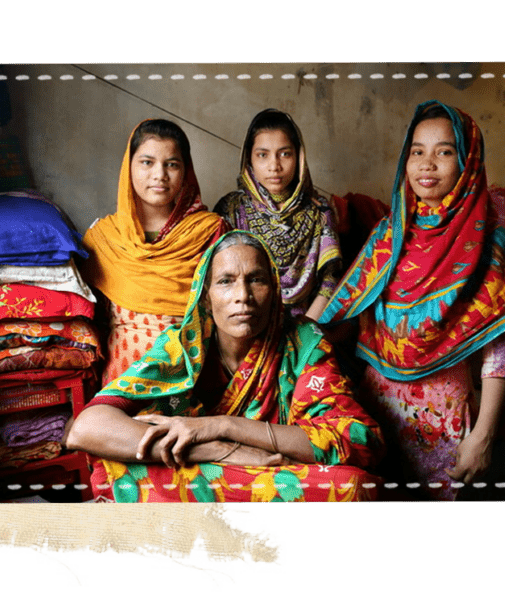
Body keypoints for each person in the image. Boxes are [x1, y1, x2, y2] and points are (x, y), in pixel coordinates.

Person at [319, 100, 505, 501]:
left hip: (442, 420)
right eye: (417, 151)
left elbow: (499, 349)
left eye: (444, 151)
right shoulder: (389, 233)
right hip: (374, 411)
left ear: (467, 162)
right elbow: (348, 313)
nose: (426, 164)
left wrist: (482, 435)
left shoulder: (488, 240)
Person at [66, 231, 383, 502]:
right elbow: (85, 429)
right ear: (205, 297)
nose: (242, 296)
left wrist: (221, 426)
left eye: (256, 280)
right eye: (225, 282)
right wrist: (216, 449)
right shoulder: (183, 346)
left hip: (279, 472)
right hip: (225, 469)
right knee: (118, 466)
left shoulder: (304, 343)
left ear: (274, 292)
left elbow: (360, 440)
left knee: (352, 486)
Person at [82, 119, 226, 386]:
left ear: (186, 171)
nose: (160, 174)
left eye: (172, 164)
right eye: (147, 162)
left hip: (192, 383)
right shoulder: (104, 239)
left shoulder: (210, 233)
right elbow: (90, 331)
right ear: (129, 168)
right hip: (118, 385)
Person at [214, 109, 341, 321]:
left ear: (299, 156)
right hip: (243, 323)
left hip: (307, 325)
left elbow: (330, 280)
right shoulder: (231, 210)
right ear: (249, 159)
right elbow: (218, 281)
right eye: (263, 155)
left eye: (285, 154)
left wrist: (305, 334)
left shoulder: (319, 213)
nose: (275, 166)